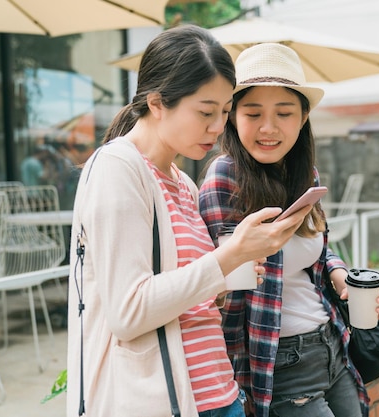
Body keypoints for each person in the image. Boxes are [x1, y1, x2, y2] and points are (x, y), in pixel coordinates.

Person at [65, 26, 310, 417]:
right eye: (206, 112)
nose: (217, 128)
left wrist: (231, 274)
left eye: (226, 112)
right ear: (158, 102)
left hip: (218, 393)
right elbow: (129, 313)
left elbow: (188, 299)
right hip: (164, 401)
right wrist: (228, 257)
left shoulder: (182, 183)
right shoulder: (118, 169)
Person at [198, 43, 379, 417]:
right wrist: (240, 386)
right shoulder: (224, 179)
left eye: (284, 113)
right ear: (233, 116)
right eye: (253, 113)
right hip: (280, 360)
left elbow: (313, 249)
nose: (268, 128)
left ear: (303, 119)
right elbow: (227, 296)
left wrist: (338, 272)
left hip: (332, 342)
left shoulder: (304, 175)